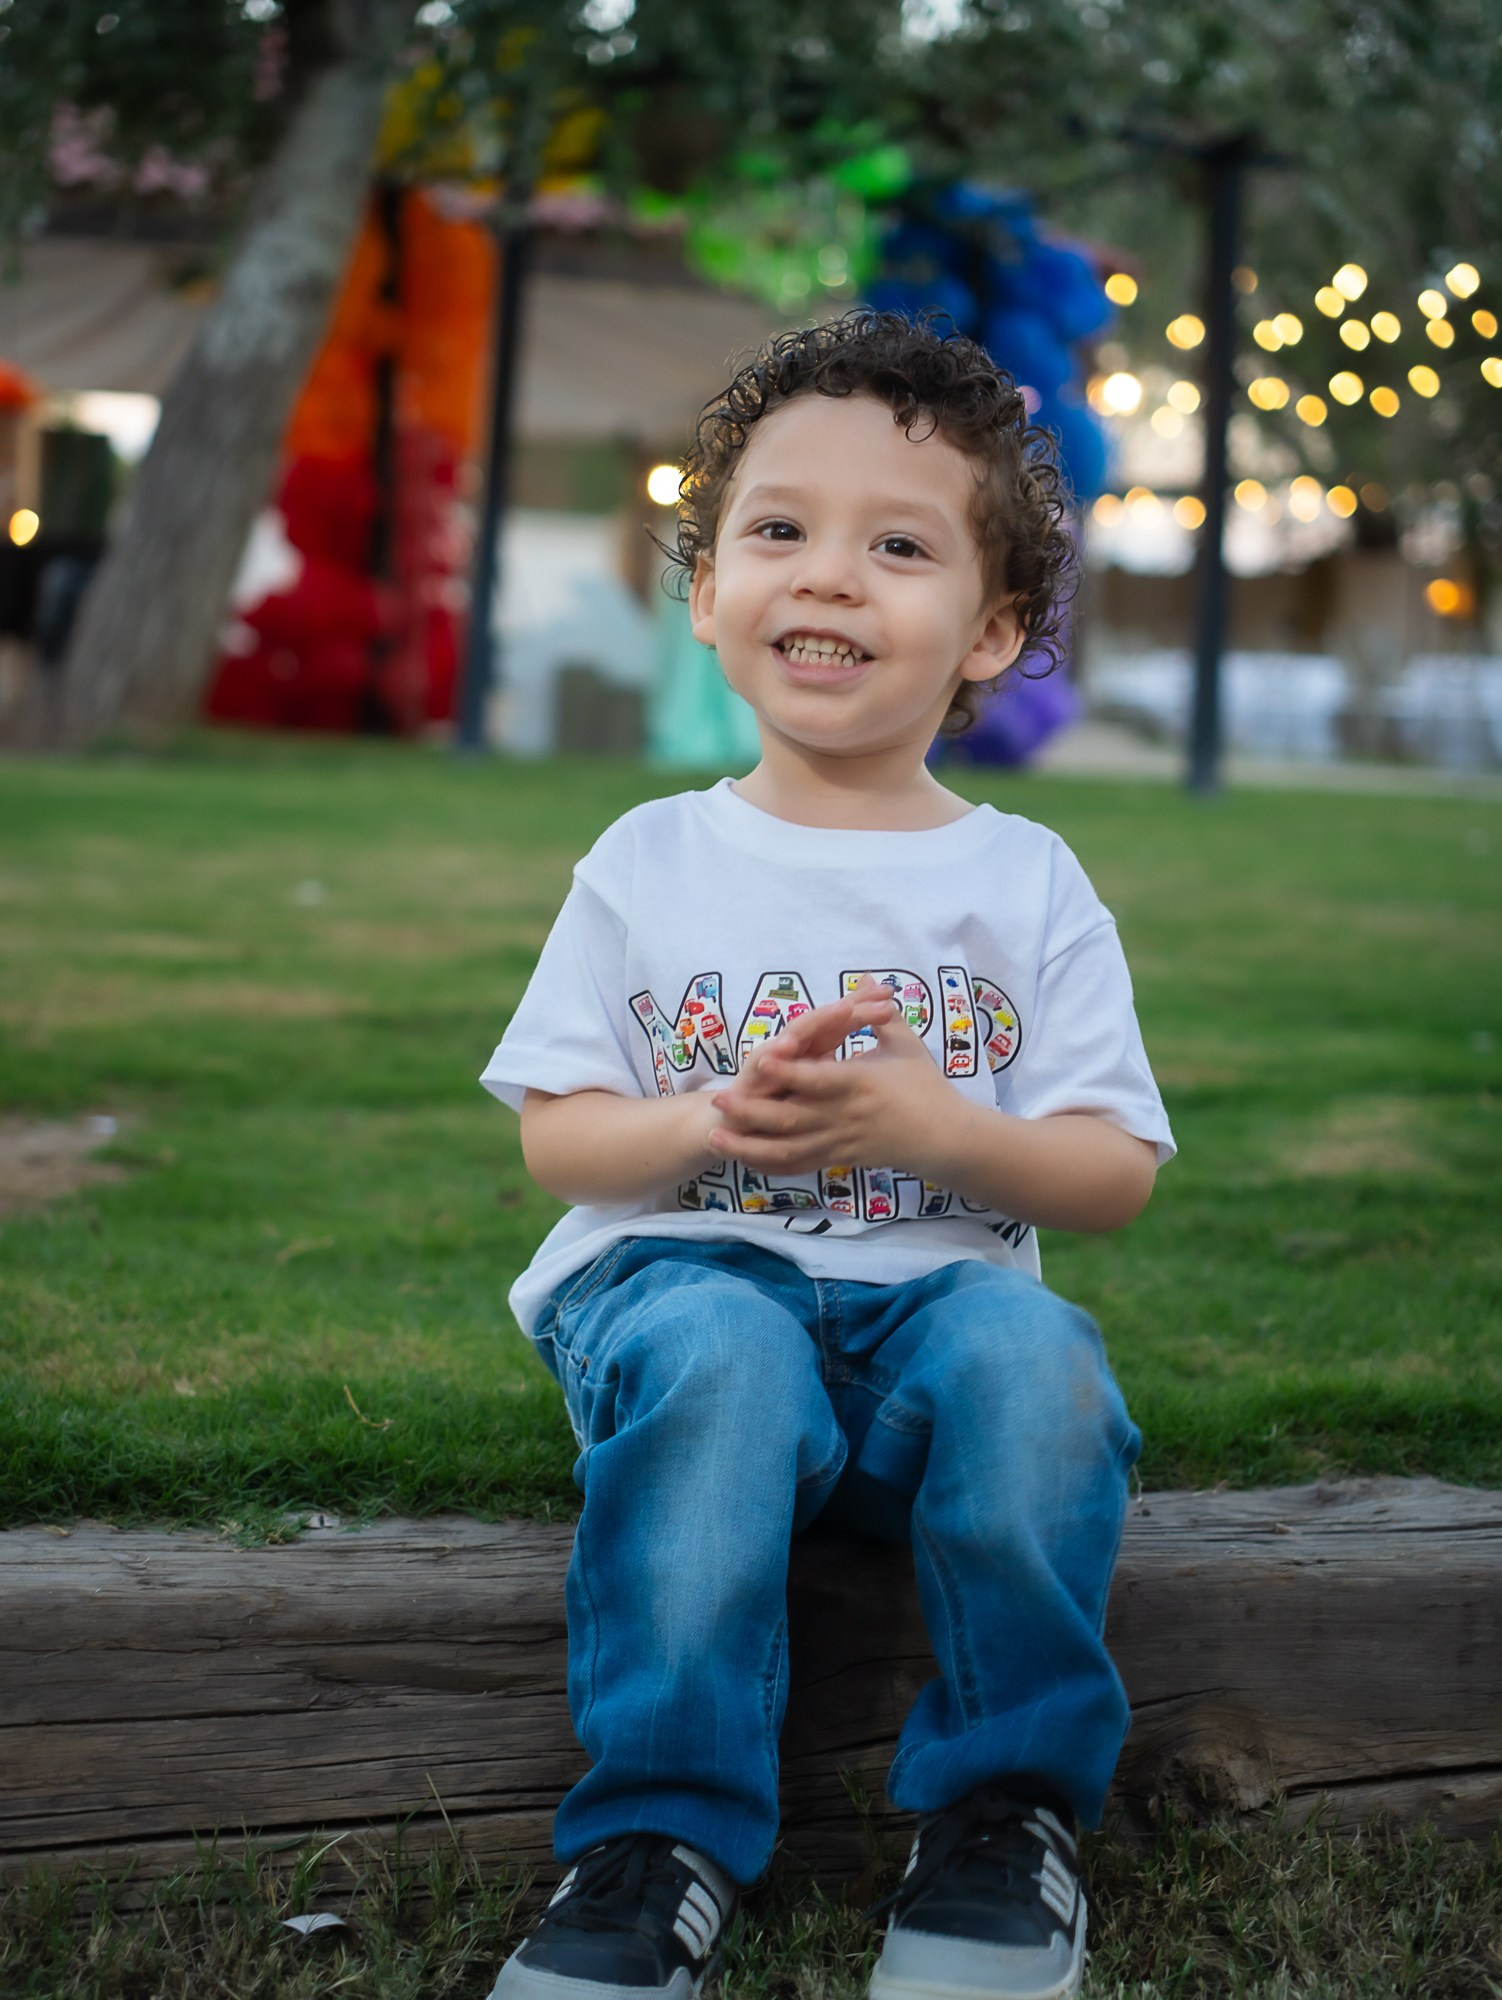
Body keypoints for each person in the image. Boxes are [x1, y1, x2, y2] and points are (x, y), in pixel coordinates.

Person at [480, 310, 1174, 2000]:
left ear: (992, 630)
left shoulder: (1025, 884)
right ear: (708, 589)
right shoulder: (651, 859)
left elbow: (1110, 1173)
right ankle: (656, 1841)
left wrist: (940, 1133)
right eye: (778, 531)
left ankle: (999, 1824)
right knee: (721, 1350)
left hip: (931, 1315)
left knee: (1039, 1357)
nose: (830, 579)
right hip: (681, 1287)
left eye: (898, 545)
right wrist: (711, 1124)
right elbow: (562, 1139)